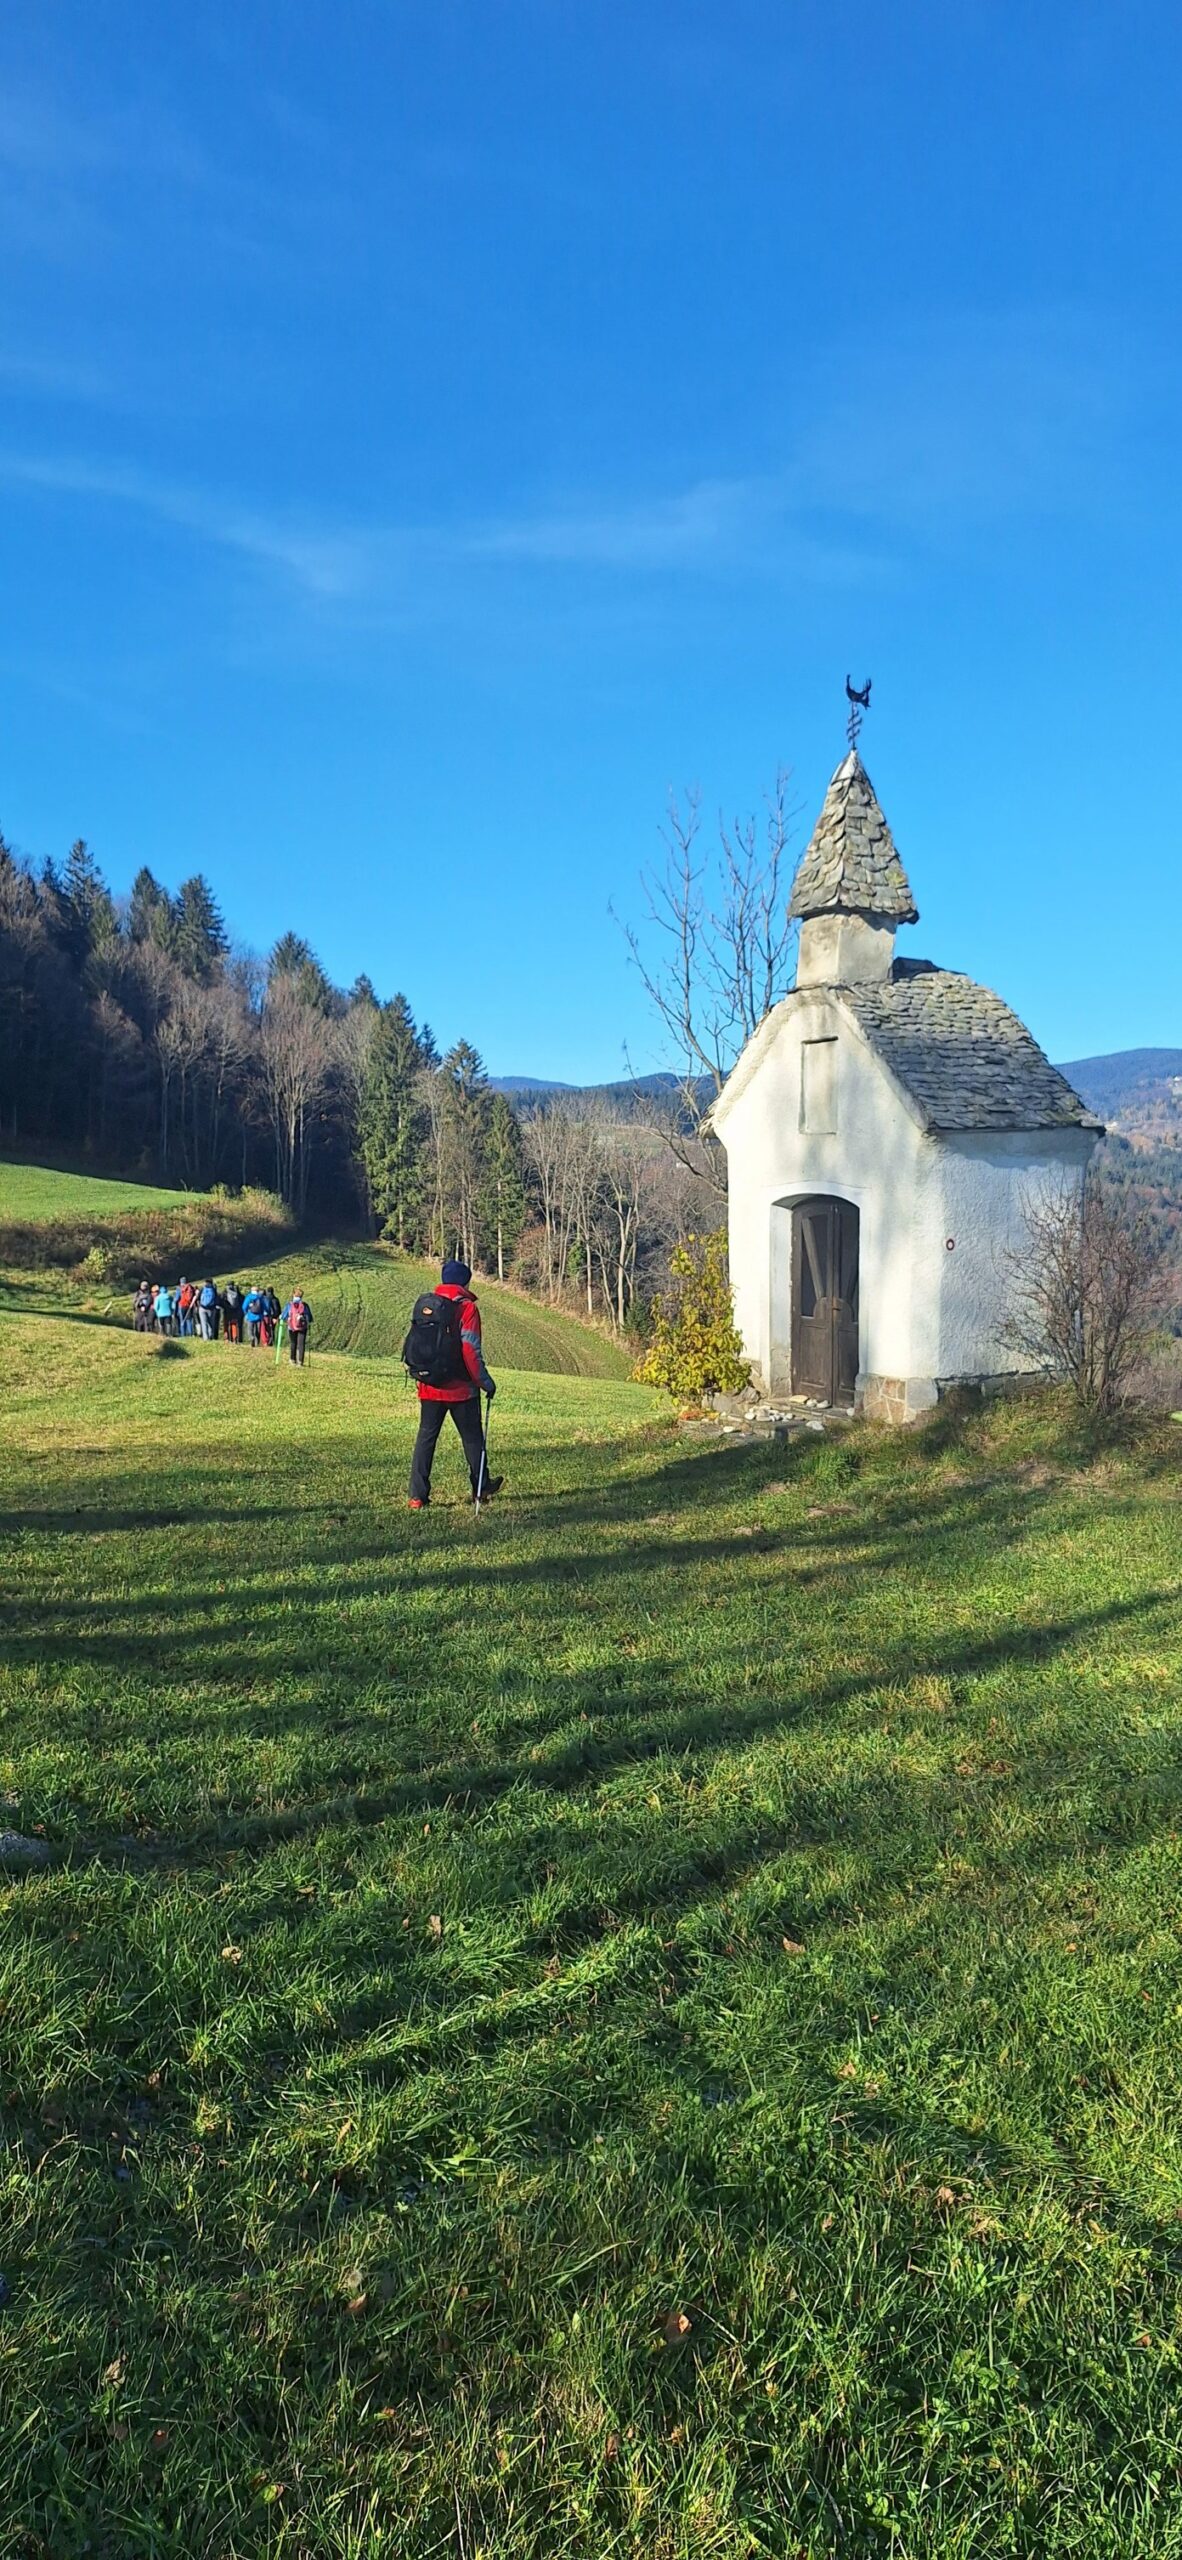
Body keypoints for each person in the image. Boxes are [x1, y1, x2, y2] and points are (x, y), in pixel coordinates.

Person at [405, 1258, 501, 1511]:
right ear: (465, 1282)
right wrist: (485, 1383)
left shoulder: (428, 1305)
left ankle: (417, 1495)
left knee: (426, 1438)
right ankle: (481, 1489)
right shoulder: (467, 1308)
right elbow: (470, 1351)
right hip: (461, 1390)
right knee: (472, 1439)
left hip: (429, 1386)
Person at [282, 1287, 313, 1366]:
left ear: (293, 1294)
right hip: (302, 1327)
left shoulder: (289, 1305)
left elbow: (283, 1316)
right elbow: (309, 1318)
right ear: (301, 1296)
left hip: (291, 1327)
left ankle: (292, 1360)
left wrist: (286, 1319)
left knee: (293, 1343)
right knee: (301, 1344)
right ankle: (300, 1361)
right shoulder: (305, 1305)